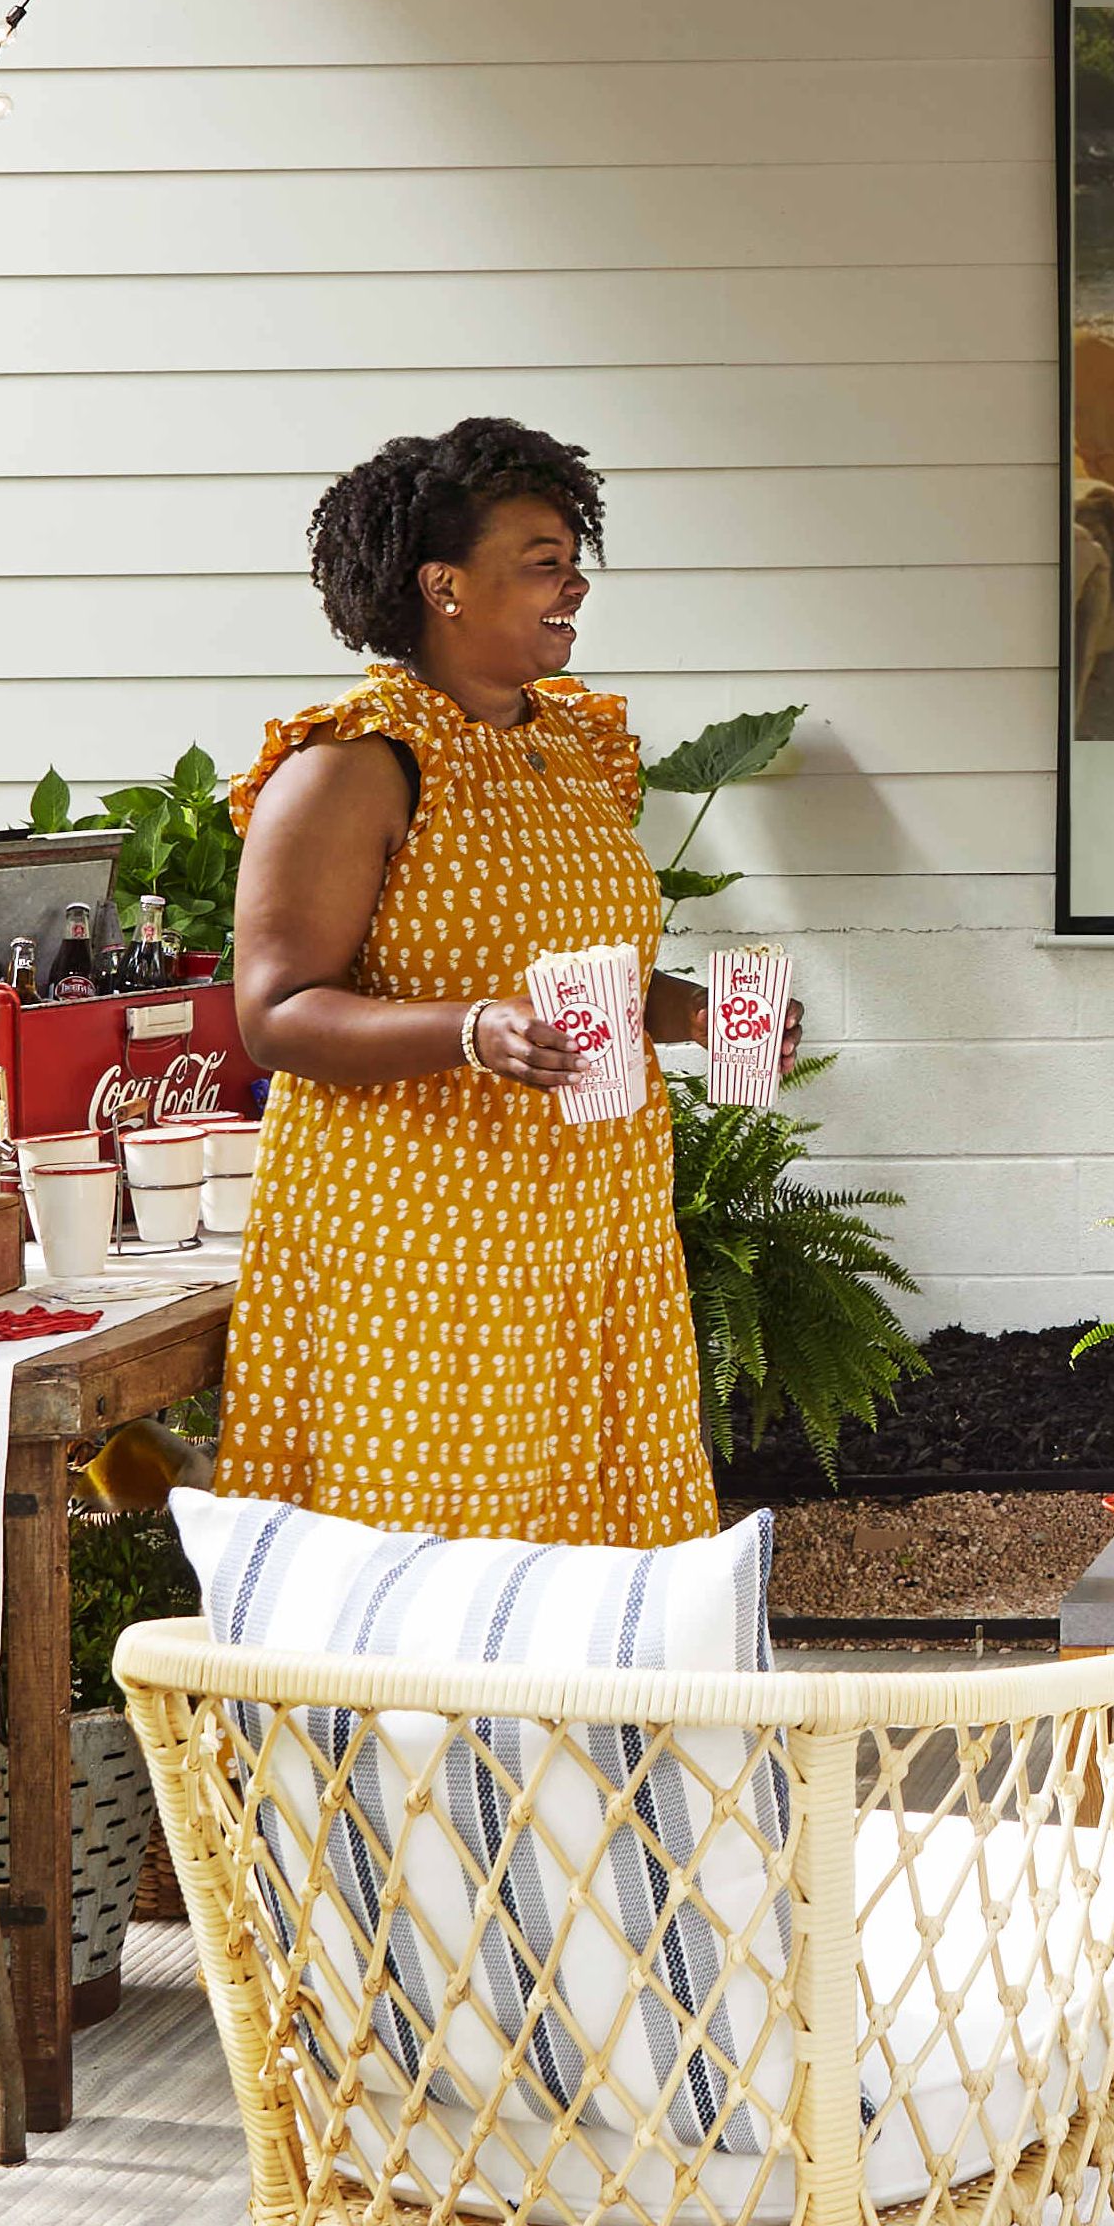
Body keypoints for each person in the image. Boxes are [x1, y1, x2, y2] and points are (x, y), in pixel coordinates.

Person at [218, 417, 780, 1547]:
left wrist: (695, 1015)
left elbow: (585, 977)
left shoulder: (571, 750)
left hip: (589, 1216)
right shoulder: (354, 765)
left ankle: (580, 1731)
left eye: (575, 560)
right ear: (443, 585)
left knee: (592, 1517)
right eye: (543, 562)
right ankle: (408, 1736)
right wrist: (472, 1031)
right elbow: (275, 1014)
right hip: (421, 1235)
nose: (575, 585)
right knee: (436, 1526)